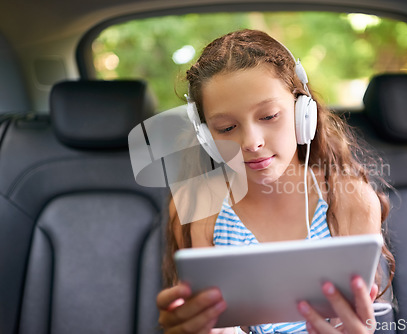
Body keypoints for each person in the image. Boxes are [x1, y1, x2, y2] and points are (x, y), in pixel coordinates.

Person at [157, 29, 394, 333]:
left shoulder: (349, 200)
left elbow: (354, 318)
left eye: (268, 117)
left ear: (302, 113)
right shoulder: (198, 206)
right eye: (227, 127)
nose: (252, 142)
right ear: (205, 137)